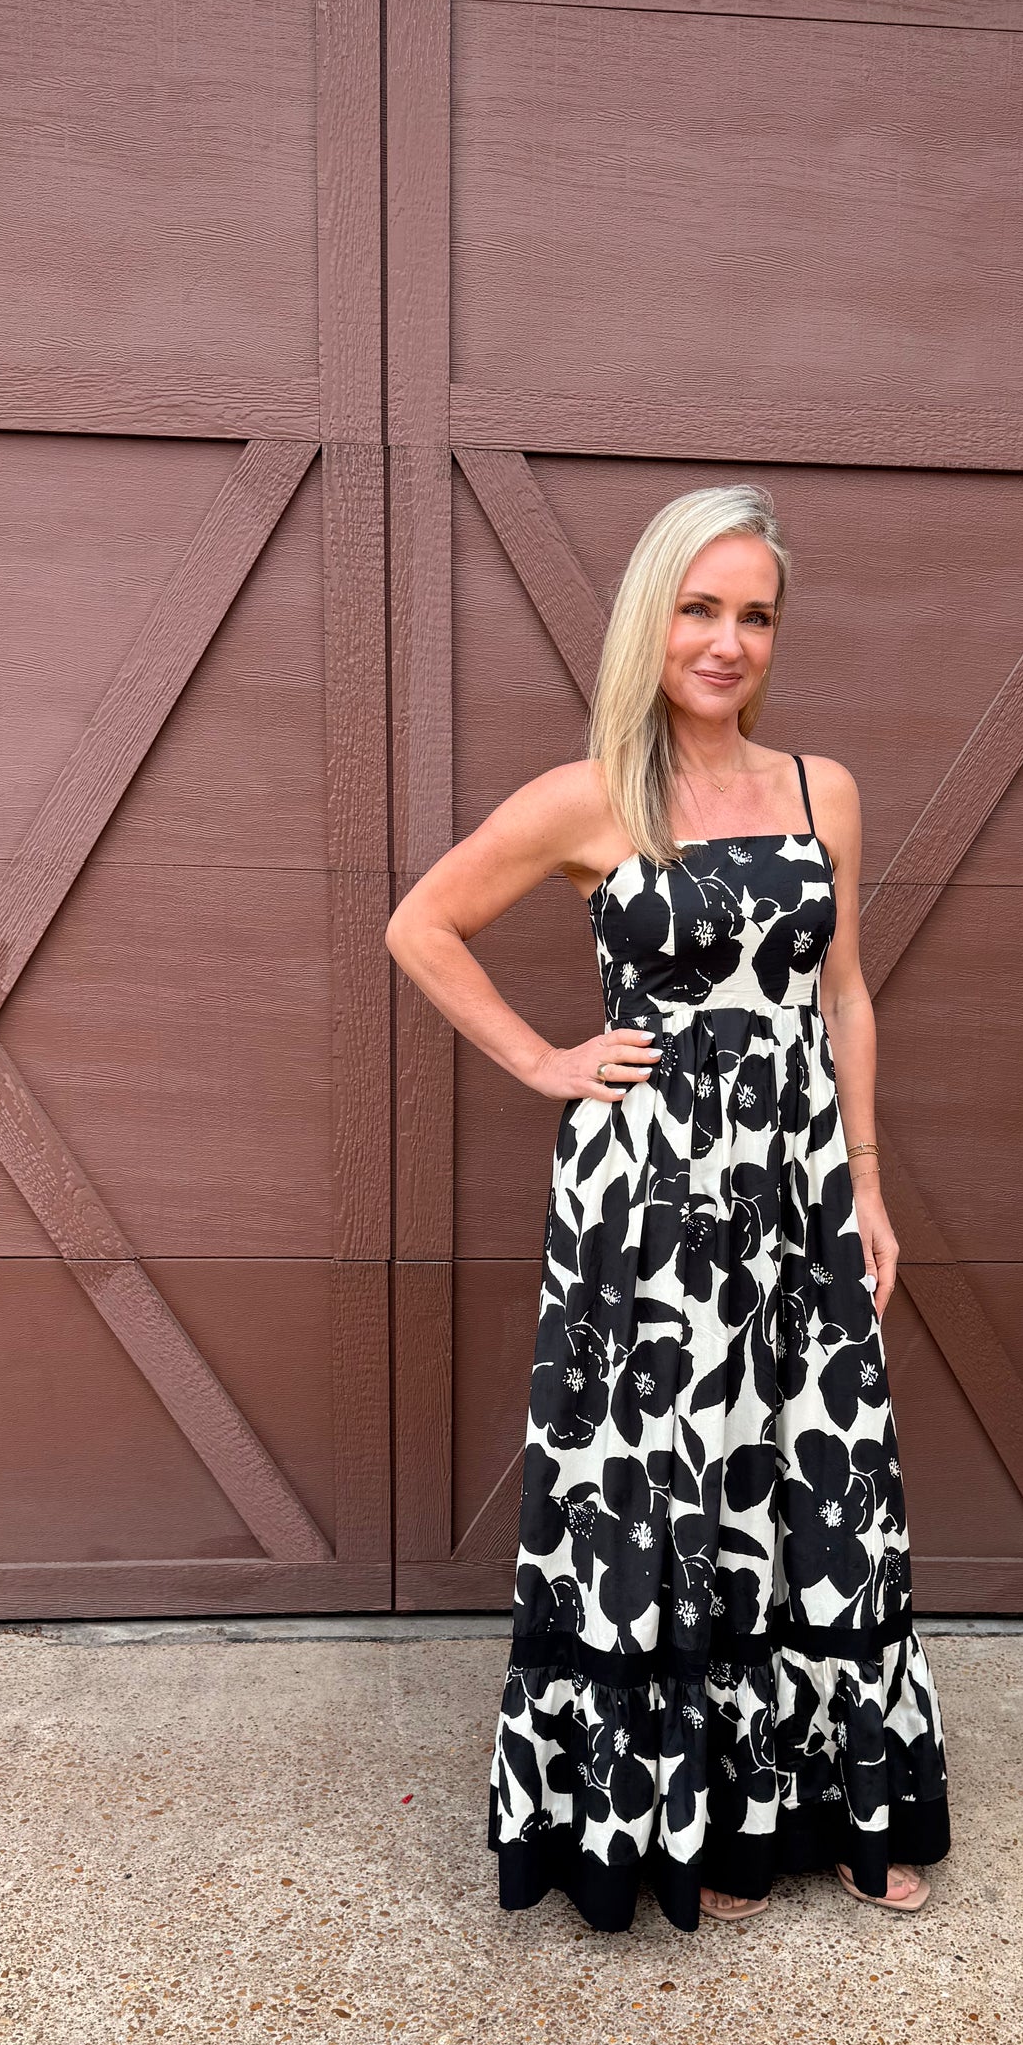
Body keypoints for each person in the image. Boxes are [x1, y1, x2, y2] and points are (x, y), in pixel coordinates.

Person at [386, 483, 950, 1932]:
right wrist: (544, 1062)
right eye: (699, 609)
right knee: (675, 1479)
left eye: (754, 615)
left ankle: (838, 1804)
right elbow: (421, 925)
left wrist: (868, 1181)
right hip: (648, 1200)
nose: (726, 641)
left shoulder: (824, 790)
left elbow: (844, 993)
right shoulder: (588, 797)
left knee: (816, 1465)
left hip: (800, 1186)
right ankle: (691, 1815)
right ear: (651, 620)